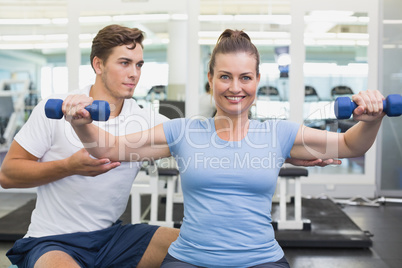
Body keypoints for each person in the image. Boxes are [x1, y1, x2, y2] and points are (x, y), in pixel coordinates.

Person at [63, 29, 385, 267]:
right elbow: (109, 148)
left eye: (245, 77)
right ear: (210, 79)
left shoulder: (278, 132)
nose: (235, 88)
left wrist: (370, 120)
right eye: (225, 77)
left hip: (261, 260)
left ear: (257, 80)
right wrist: (80, 121)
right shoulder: (184, 131)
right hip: (188, 258)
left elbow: (349, 145)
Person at [0, 24, 180, 268]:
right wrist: (69, 166)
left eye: (139, 65)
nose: (134, 74)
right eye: (124, 63)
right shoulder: (55, 109)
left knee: (194, 247)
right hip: (53, 240)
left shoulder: (147, 121)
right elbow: (8, 175)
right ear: (98, 65)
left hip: (112, 238)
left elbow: (190, 140)